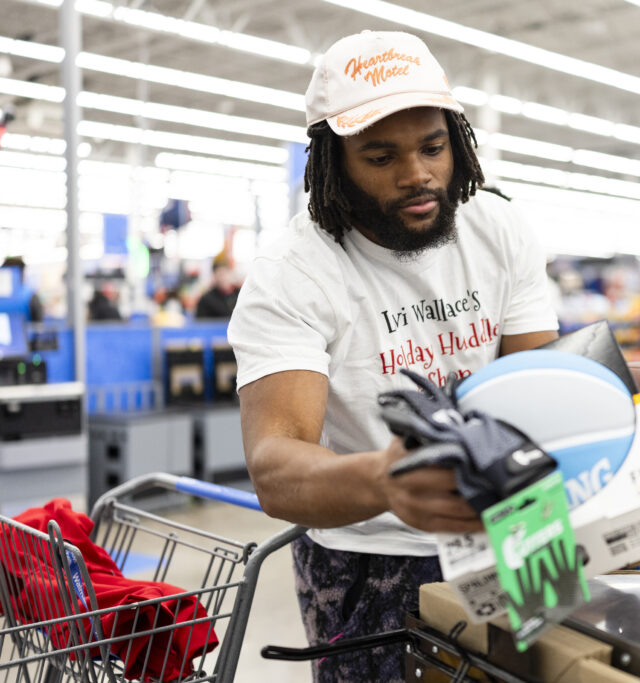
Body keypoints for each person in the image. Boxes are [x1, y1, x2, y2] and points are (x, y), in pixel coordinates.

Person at [226, 31, 558, 682]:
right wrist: (384, 479)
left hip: (516, 530)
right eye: (381, 156)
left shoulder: (500, 228)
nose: (417, 174)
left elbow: (538, 390)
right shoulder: (293, 271)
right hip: (372, 560)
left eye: (433, 147)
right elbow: (274, 464)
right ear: (332, 162)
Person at [194, 254, 238, 319]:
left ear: (230, 272)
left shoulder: (239, 295)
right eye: (219, 274)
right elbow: (200, 325)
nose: (223, 278)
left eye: (225, 273)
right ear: (214, 276)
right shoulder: (206, 300)